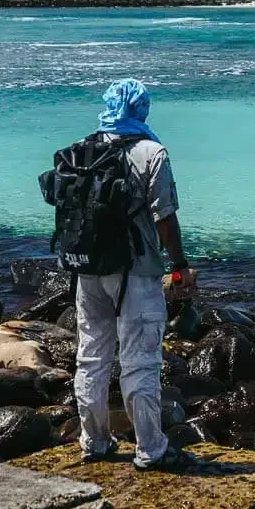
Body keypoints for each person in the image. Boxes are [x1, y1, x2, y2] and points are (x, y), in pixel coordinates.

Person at [68, 79, 197, 471]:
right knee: (140, 362)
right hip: (137, 273)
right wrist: (180, 266)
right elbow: (165, 219)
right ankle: (151, 449)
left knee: (91, 356)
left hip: (87, 269)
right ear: (141, 109)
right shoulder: (151, 153)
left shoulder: (85, 149)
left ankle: (94, 441)